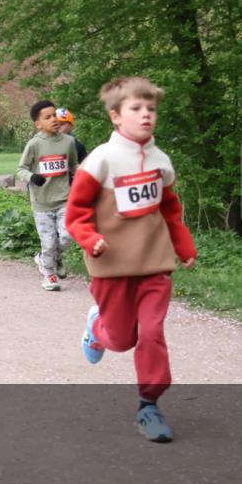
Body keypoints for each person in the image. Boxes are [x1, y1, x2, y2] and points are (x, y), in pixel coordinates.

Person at [67, 76, 197, 443]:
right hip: (111, 265)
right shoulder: (101, 161)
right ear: (115, 116)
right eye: (136, 109)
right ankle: (98, 329)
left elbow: (171, 210)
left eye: (151, 109)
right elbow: (76, 212)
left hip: (154, 264)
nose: (146, 116)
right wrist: (90, 239)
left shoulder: (161, 161)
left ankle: (149, 405)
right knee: (122, 340)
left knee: (152, 332)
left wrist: (184, 247)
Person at [17, 100, 79, 291]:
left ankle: (47, 258)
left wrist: (81, 177)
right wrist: (32, 177)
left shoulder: (68, 142)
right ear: (38, 124)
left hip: (64, 199)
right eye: (48, 117)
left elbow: (74, 165)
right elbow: (21, 169)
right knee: (49, 241)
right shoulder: (34, 144)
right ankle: (49, 275)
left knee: (68, 235)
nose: (54, 119)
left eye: (55, 115)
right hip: (42, 202)